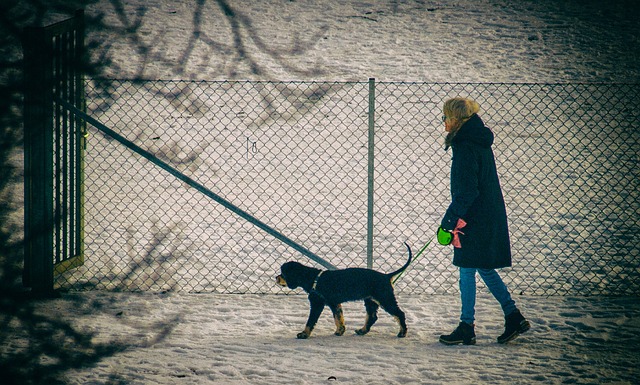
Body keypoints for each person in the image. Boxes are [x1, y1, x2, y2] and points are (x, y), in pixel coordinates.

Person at [437, 97, 530, 345]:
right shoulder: (477, 140)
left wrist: (449, 220)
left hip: (473, 218)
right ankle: (513, 316)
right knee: (482, 268)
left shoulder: (465, 145)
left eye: (445, 117)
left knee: (467, 269)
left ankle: (467, 326)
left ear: (456, 120)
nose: (443, 121)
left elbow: (467, 191)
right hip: (486, 213)